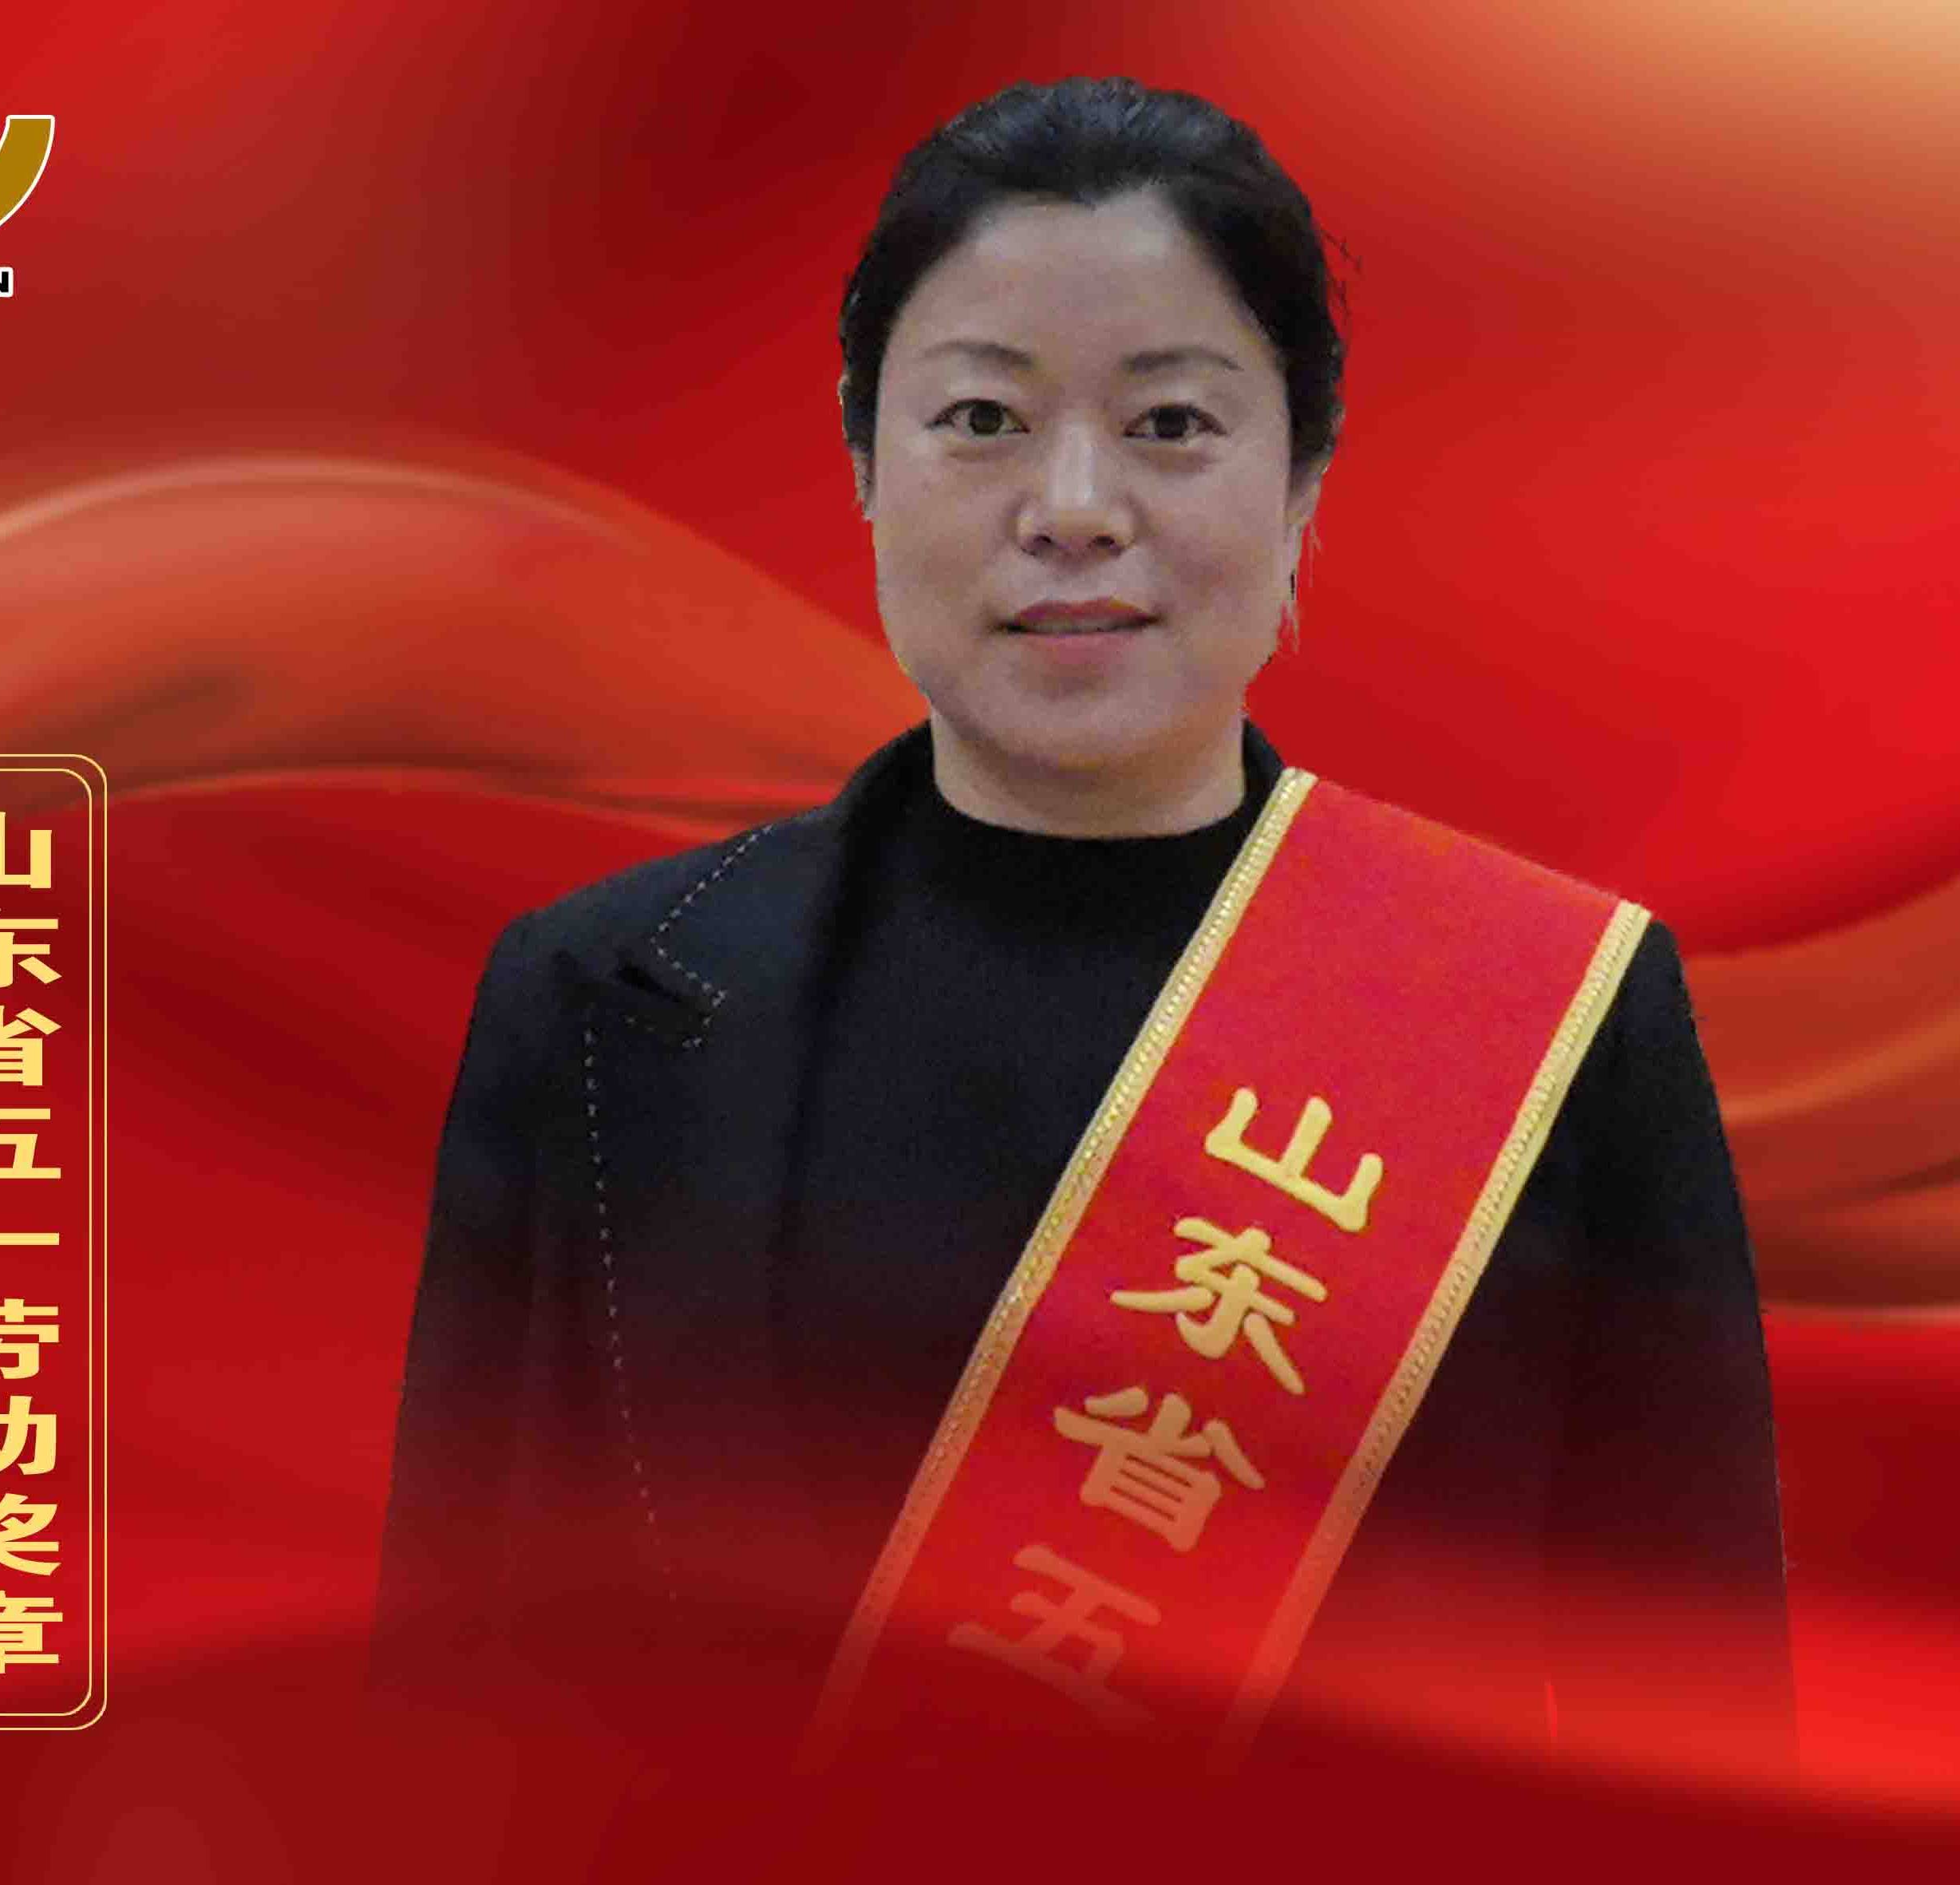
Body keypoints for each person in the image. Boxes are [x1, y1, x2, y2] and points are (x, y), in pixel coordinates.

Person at [372, 76, 1792, 1784]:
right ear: (864, 464)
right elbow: (453, 1710)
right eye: (980, 417)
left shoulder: (1549, 1016)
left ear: (1303, 479)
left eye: (1169, 422)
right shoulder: (605, 996)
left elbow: (1705, 1745)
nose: (1071, 504)